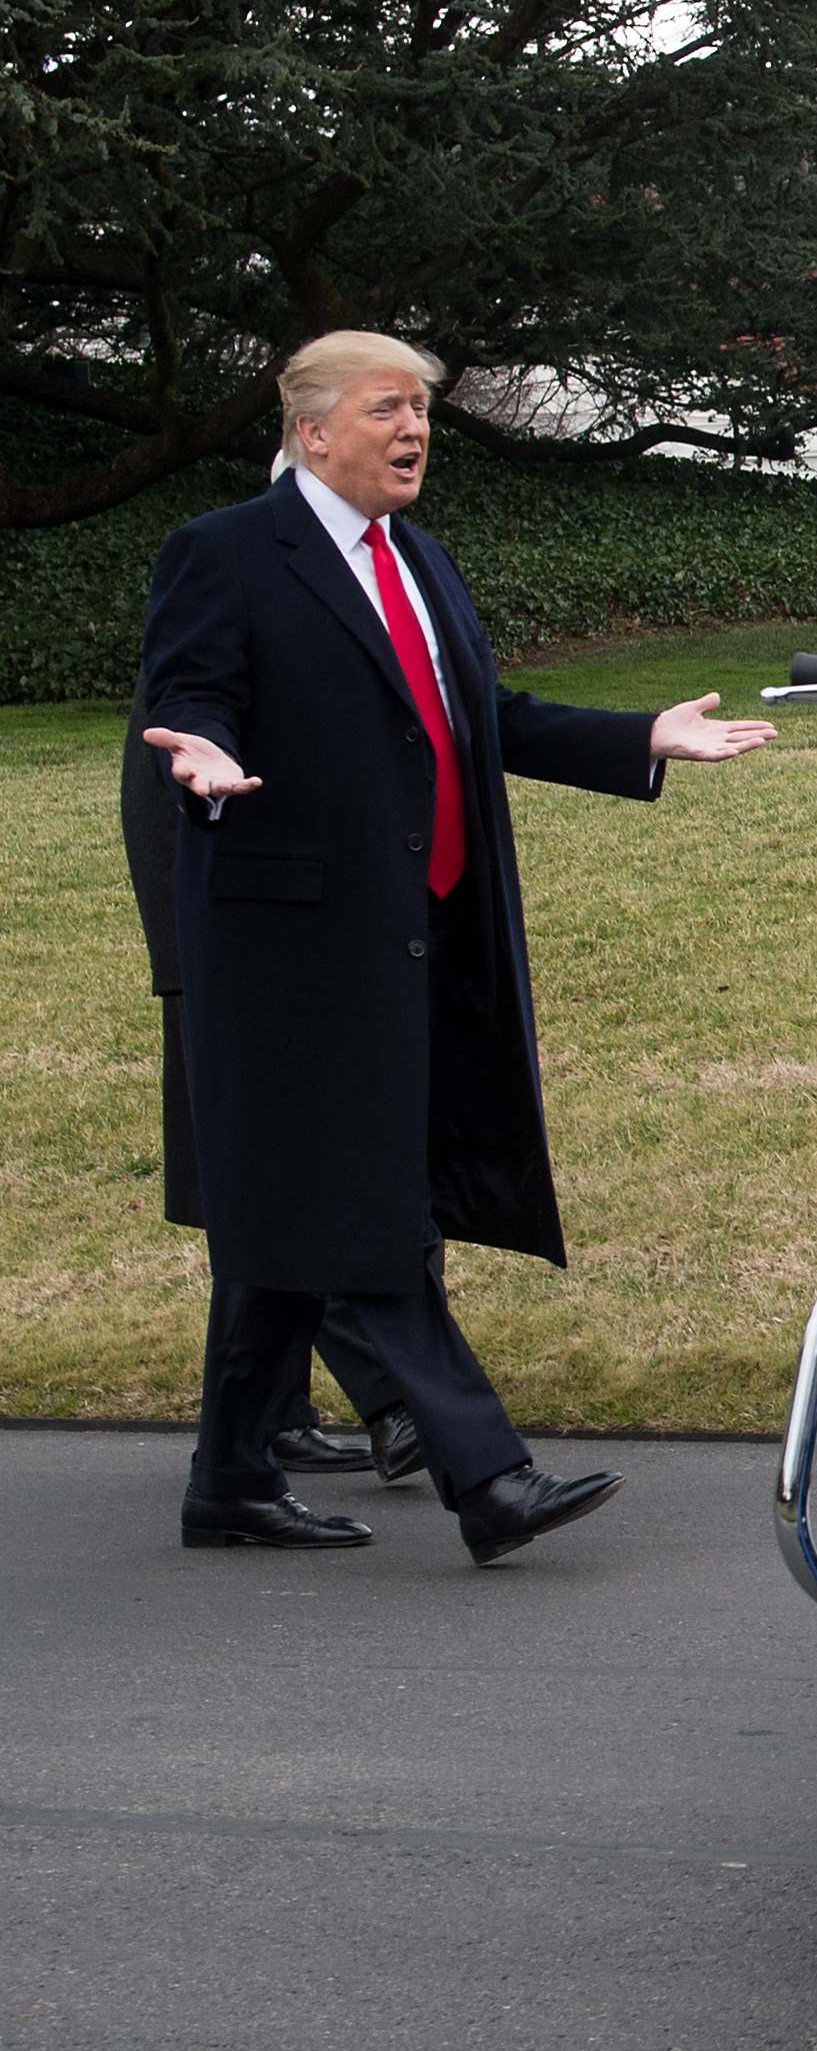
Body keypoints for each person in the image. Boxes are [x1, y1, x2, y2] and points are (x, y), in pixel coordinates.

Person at [136, 331, 776, 1558]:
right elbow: (191, 691)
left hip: (412, 938)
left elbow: (483, 717)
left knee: (288, 1212)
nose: (415, 429)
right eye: (387, 409)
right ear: (312, 431)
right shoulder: (224, 551)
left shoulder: (419, 561)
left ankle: (227, 1480)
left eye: (422, 410)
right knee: (362, 1206)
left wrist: (639, 735)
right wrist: (202, 755)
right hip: (285, 953)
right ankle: (488, 1479)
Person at [123, 622, 413, 1483]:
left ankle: (265, 1426)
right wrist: (188, 971)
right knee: (287, 1190)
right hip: (233, 967)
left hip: (325, 954)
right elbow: (161, 799)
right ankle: (402, 1402)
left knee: (262, 1193)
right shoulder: (225, 593)